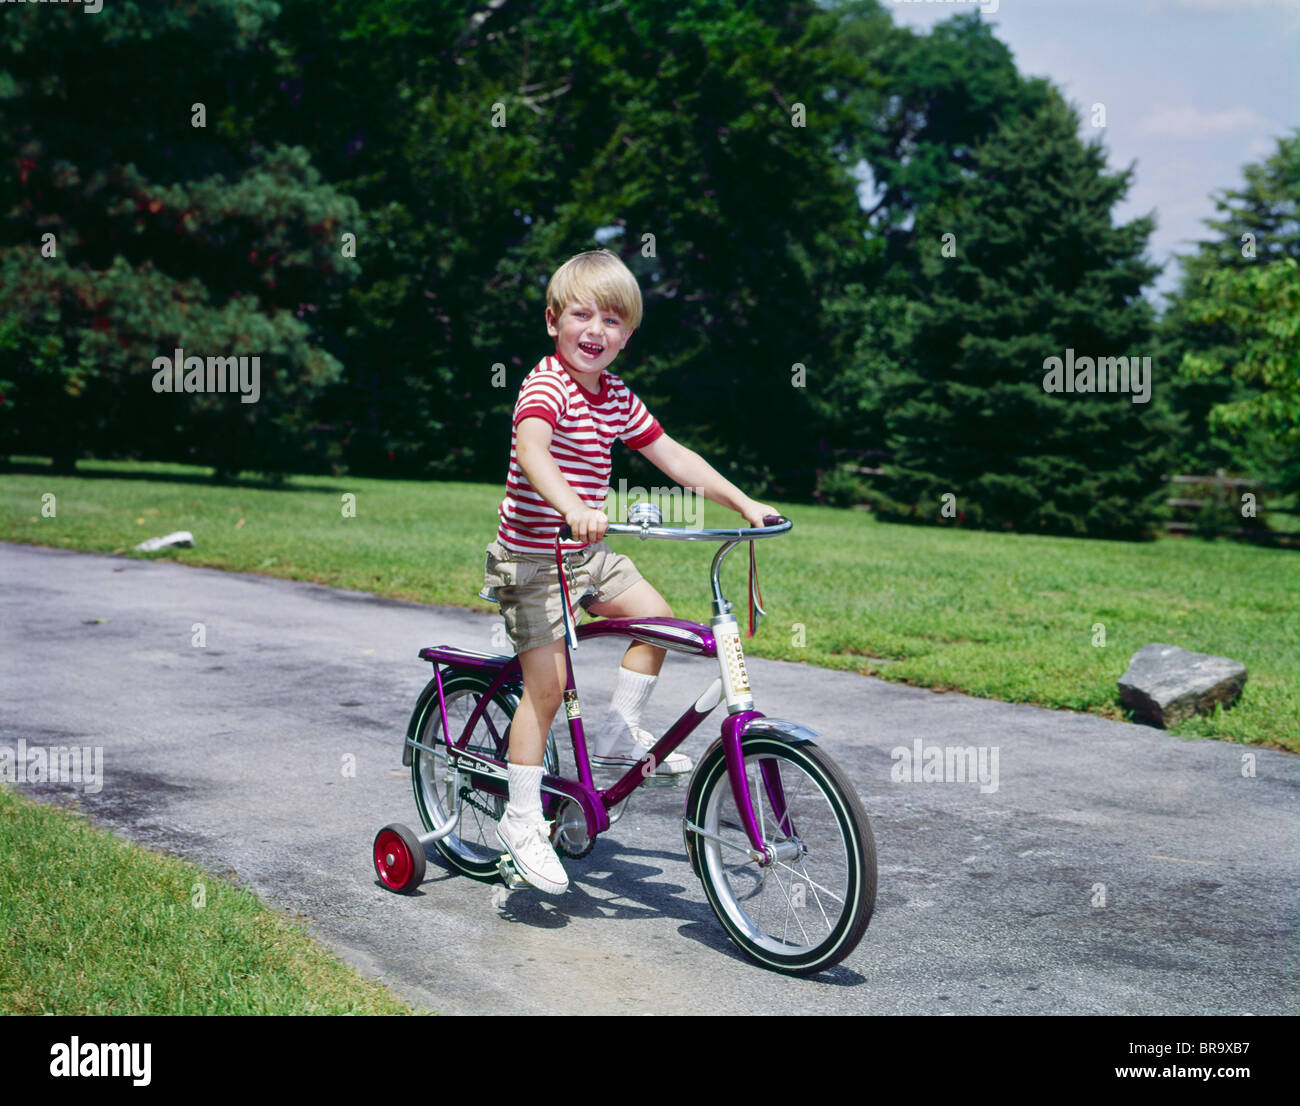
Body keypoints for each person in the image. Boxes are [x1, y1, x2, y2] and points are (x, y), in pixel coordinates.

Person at [482, 249, 778, 895]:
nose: (596, 331)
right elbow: (533, 450)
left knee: (660, 621)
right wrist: (570, 506)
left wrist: (744, 503)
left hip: (586, 555)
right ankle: (522, 817)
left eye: (613, 320)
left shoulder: (614, 396)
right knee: (549, 685)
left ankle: (620, 729)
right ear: (553, 321)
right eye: (582, 315)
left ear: (628, 334)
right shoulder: (545, 385)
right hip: (533, 559)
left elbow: (673, 456)